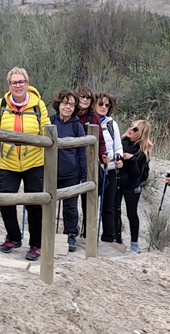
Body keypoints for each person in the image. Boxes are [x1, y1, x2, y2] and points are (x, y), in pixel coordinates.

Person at [0, 67, 49, 261]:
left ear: (27, 83)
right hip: (8, 162)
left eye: (21, 82)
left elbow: (47, 132)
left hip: (34, 161)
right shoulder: (1, 105)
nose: (18, 85)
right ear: (9, 85)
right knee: (6, 202)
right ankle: (14, 237)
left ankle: (36, 245)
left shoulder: (38, 105)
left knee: (34, 204)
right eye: (14, 82)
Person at [49, 90, 87, 253]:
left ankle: (70, 234)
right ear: (58, 104)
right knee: (47, 203)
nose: (68, 107)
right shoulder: (49, 121)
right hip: (50, 171)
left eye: (71, 104)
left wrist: (84, 175)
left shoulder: (77, 126)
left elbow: (82, 153)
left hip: (72, 173)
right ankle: (45, 233)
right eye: (65, 103)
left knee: (70, 206)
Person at [114, 120, 152, 253]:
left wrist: (132, 159)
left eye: (135, 129)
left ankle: (134, 244)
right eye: (131, 126)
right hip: (118, 182)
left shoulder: (142, 151)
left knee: (132, 213)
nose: (131, 129)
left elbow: (137, 174)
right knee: (115, 210)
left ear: (141, 133)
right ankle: (117, 238)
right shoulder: (121, 142)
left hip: (132, 186)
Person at [76, 87, 107, 237]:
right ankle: (71, 231)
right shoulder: (70, 113)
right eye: (82, 97)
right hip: (70, 162)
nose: (85, 100)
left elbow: (100, 141)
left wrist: (103, 157)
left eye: (88, 98)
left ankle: (88, 232)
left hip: (88, 163)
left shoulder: (93, 117)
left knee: (88, 198)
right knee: (69, 198)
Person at [94, 92, 124, 243]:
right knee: (90, 204)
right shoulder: (88, 122)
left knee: (109, 205)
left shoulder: (112, 124)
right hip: (93, 169)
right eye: (101, 104)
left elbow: (118, 146)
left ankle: (108, 237)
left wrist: (119, 158)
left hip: (110, 169)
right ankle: (88, 234)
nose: (104, 107)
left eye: (107, 105)